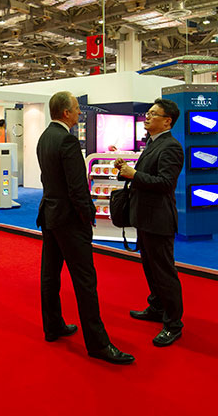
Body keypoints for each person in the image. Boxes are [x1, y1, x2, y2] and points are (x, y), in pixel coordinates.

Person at [36, 91, 133, 365]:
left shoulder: (45, 137)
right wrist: (88, 216)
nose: (80, 113)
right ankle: (98, 344)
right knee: (85, 281)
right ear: (66, 112)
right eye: (77, 109)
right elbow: (77, 187)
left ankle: (53, 326)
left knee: (50, 276)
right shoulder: (66, 140)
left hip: (50, 215)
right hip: (69, 219)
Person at [114, 98, 185, 348]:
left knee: (164, 272)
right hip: (145, 217)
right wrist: (127, 170)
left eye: (154, 114)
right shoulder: (153, 143)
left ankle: (173, 324)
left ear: (167, 121)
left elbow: (165, 183)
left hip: (159, 218)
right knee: (150, 268)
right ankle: (156, 307)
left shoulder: (171, 147)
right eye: (148, 113)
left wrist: (134, 174)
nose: (148, 116)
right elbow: (146, 176)